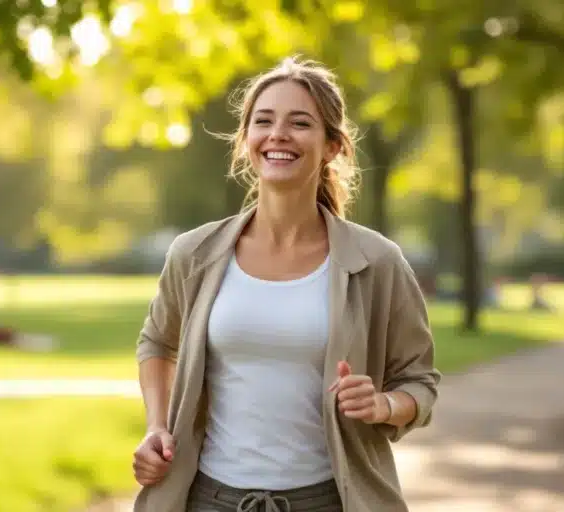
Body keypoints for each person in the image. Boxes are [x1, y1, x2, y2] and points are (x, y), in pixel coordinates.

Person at [131, 57, 441, 512]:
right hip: (209, 500)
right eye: (263, 121)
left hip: (328, 501)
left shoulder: (376, 262)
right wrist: (157, 425)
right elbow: (157, 342)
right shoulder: (194, 254)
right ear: (246, 141)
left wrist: (383, 406)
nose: (278, 134)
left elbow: (420, 382)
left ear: (333, 146)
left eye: (300, 123)